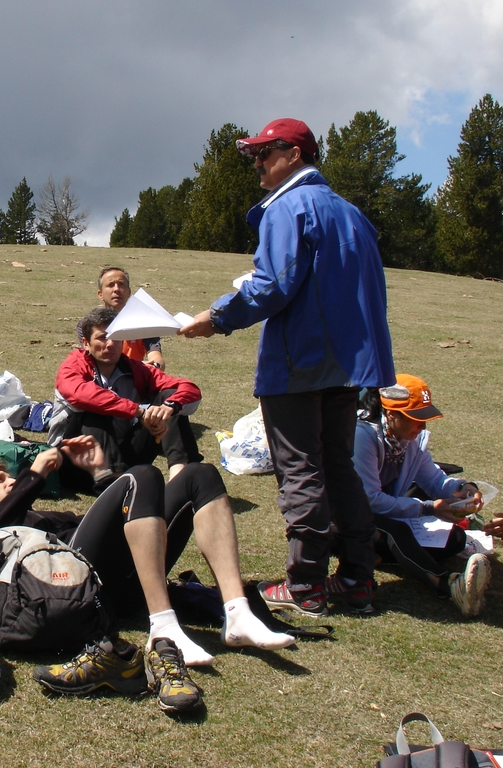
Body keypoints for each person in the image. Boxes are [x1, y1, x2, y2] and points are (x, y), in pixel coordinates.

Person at [179, 118, 395, 618]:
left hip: (301, 361)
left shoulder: (288, 207)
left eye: (264, 153)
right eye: (254, 155)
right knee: (338, 465)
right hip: (350, 365)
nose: (256, 163)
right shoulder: (352, 214)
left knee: (300, 467)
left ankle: (306, 585)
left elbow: (273, 285)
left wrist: (216, 317)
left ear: (294, 155)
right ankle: (358, 579)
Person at [0, 436, 293, 713]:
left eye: (11, 477)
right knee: (143, 474)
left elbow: (115, 522)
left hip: (122, 585)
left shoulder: (42, 517)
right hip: (72, 586)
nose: (12, 481)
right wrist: (35, 475)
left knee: (200, 475)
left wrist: (101, 473)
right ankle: (163, 624)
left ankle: (237, 612)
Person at [353, 375, 490, 617]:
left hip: (384, 514)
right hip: (346, 520)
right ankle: (449, 585)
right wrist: (428, 508)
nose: (423, 427)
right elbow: (370, 500)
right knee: (397, 531)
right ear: (392, 414)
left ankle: (379, 555)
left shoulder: (409, 440)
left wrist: (465, 487)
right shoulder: (362, 435)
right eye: (417, 419)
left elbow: (434, 480)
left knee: (455, 539)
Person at [49, 307, 203, 494]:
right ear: (86, 343)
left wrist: (168, 408)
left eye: (116, 338)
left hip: (124, 457)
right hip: (74, 461)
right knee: (94, 409)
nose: (110, 344)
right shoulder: (72, 366)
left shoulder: (135, 369)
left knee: (169, 399)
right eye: (102, 338)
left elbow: (188, 388)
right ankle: (115, 486)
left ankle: (181, 481)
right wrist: (139, 412)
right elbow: (80, 394)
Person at [86, 267, 204, 472]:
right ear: (100, 293)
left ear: (129, 291)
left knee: (169, 399)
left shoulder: (143, 322)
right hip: (109, 401)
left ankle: (183, 474)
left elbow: (157, 358)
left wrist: (149, 369)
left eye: (121, 285)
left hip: (136, 385)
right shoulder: (92, 325)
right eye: (110, 285)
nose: (116, 289)